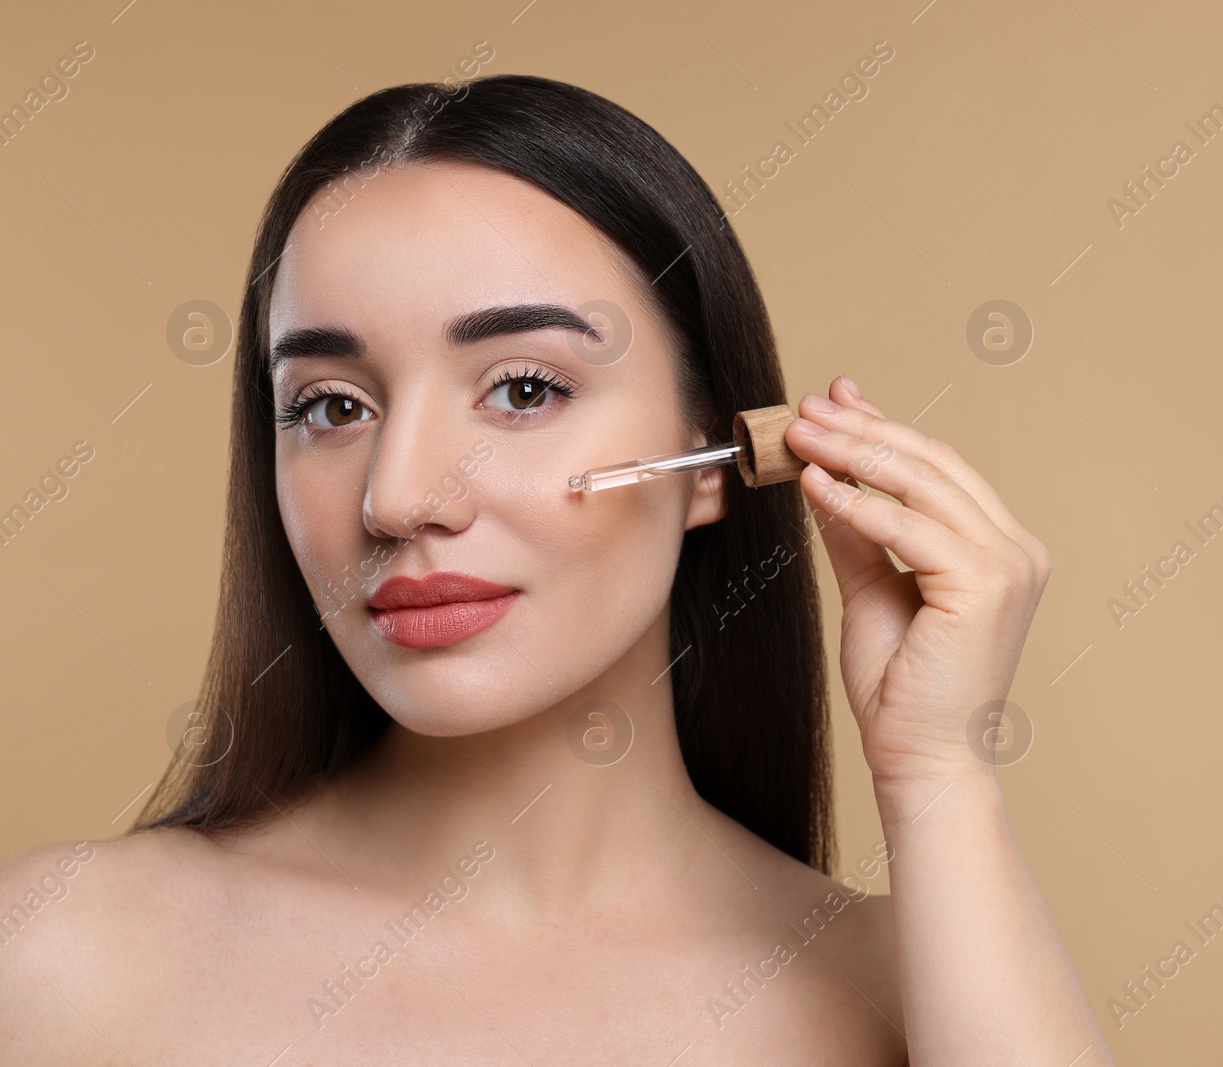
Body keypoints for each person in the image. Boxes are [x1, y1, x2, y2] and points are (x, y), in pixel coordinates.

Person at [0, 74, 1112, 1064]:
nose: (399, 496)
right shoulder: (59, 955)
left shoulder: (907, 991)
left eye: (524, 389)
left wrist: (937, 777)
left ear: (714, 459)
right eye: (331, 406)